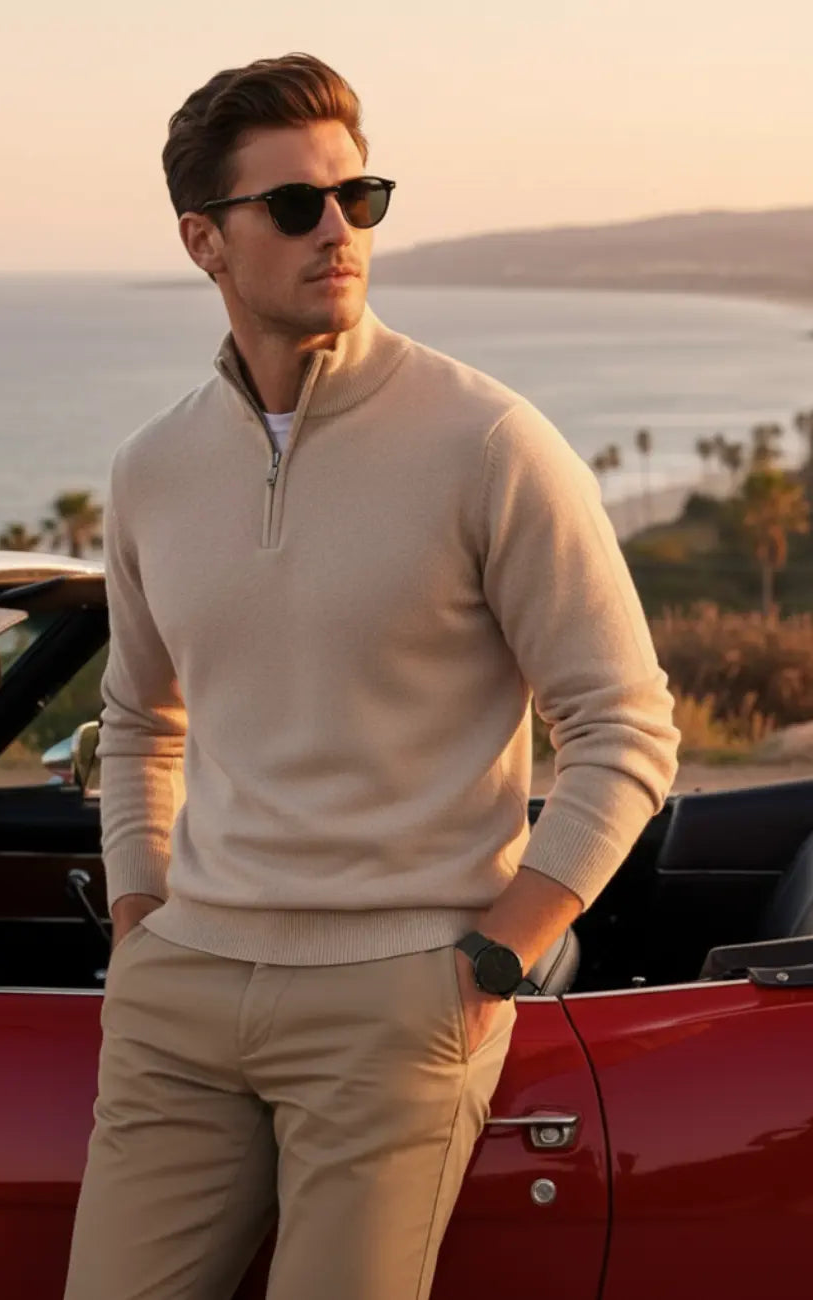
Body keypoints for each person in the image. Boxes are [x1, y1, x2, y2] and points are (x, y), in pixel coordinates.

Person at [64, 52, 679, 1300]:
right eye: (295, 205)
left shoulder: (488, 442)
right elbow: (137, 720)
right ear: (204, 240)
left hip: (396, 996)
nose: (337, 230)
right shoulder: (152, 469)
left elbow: (625, 727)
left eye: (359, 196)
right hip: (184, 993)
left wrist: (495, 958)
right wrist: (140, 924)